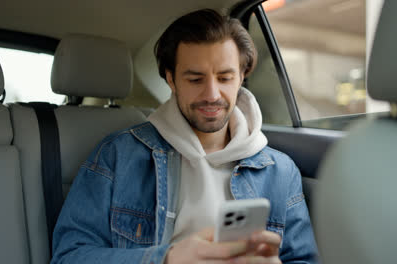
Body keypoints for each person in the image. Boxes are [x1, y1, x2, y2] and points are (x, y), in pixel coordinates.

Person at [51, 9, 318, 264]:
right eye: (195, 79)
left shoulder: (281, 172)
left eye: (224, 78)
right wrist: (167, 259)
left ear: (241, 78)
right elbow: (69, 256)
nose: (212, 94)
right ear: (171, 79)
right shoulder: (117, 156)